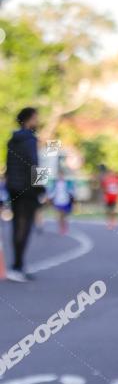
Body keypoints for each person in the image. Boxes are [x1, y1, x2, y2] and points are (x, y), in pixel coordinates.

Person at [5, 107, 44, 282]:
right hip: (27, 191)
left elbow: (9, 168)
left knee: (16, 227)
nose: (37, 122)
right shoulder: (30, 140)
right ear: (28, 120)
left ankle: (17, 265)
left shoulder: (12, 141)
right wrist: (41, 188)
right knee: (24, 227)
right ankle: (18, 266)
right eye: (35, 118)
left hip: (14, 189)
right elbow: (34, 166)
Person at [47, 169, 75, 235]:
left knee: (64, 216)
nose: (60, 176)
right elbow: (53, 192)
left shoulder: (67, 183)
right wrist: (49, 197)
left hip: (65, 201)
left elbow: (71, 191)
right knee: (59, 216)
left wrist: (72, 197)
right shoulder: (55, 183)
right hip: (58, 201)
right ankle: (61, 228)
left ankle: (65, 226)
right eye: (59, 175)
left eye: (61, 175)